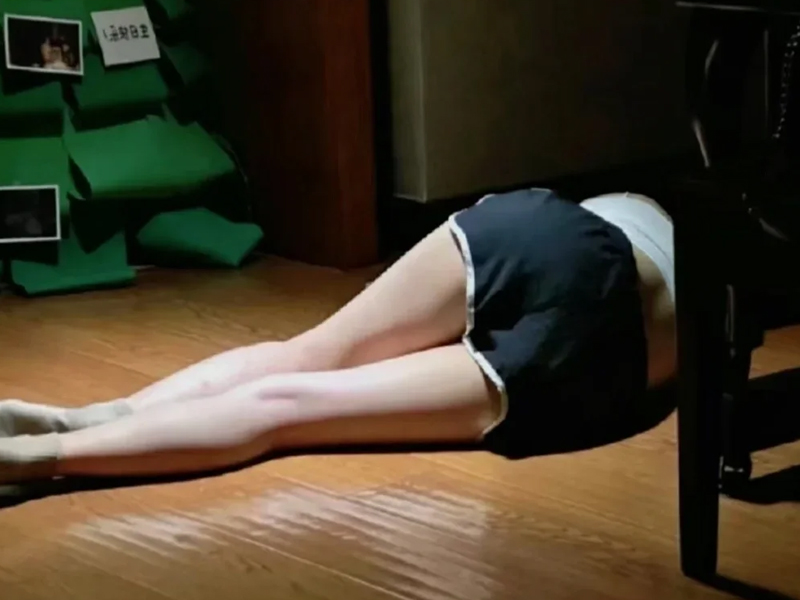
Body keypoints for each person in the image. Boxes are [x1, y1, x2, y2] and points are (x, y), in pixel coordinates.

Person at [0, 189, 675, 484]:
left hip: (541, 228)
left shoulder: (638, 206)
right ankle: (48, 456)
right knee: (289, 409)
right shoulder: (709, 281)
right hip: (602, 343)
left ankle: (80, 418)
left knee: (303, 356)